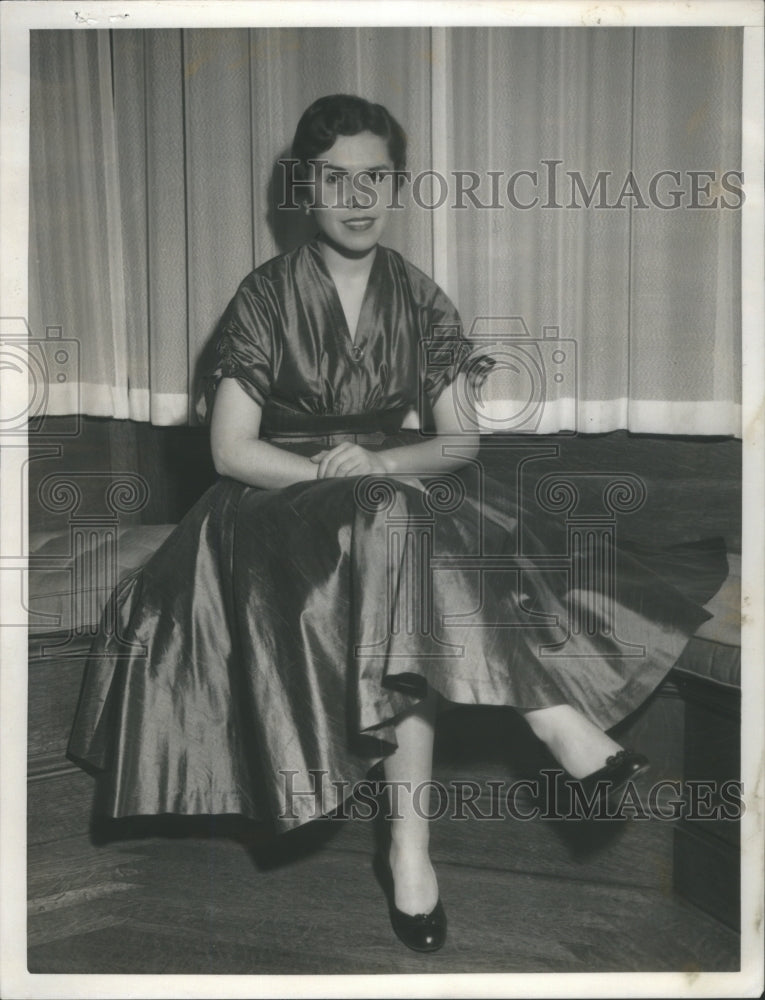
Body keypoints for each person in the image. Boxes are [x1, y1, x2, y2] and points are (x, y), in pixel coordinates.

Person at [68, 94, 728, 954]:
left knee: (406, 567)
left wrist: (378, 466)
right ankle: (553, 726)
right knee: (397, 533)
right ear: (304, 190)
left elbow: (457, 442)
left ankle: (411, 846)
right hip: (267, 505)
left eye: (374, 176)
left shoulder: (418, 295)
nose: (356, 197)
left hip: (389, 495)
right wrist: (333, 475)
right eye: (335, 179)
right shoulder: (265, 294)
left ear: (397, 183)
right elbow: (231, 451)